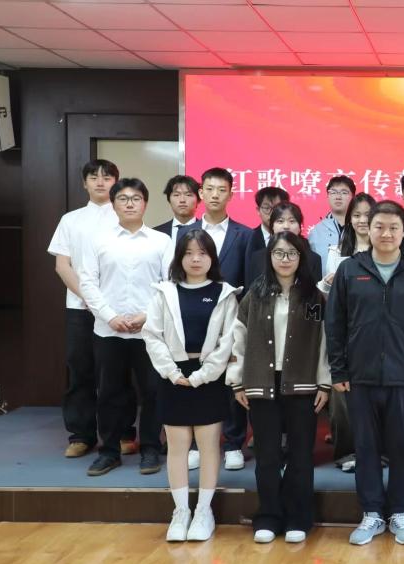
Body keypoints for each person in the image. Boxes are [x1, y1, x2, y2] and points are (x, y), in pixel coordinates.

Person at [325, 200, 404, 546]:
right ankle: (372, 512)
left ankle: (399, 511)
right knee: (366, 448)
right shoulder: (350, 270)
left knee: (403, 448)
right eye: (379, 226)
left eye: (393, 227)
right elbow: (335, 324)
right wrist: (338, 369)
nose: (386, 233)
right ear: (367, 228)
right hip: (359, 378)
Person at [227, 232, 330, 544]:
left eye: (292, 254)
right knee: (267, 455)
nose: (285, 260)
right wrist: (238, 380)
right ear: (269, 257)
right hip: (262, 382)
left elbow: (324, 341)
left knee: (301, 454)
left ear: (301, 258)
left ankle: (299, 517)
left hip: (303, 383)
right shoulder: (254, 295)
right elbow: (238, 339)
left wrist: (324, 382)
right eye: (279, 253)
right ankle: (269, 516)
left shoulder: (314, 297)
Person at [142, 230, 240, 543]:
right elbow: (152, 335)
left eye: (202, 253)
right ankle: (181, 510)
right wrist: (172, 372)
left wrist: (203, 375)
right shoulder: (164, 291)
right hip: (173, 376)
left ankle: (203, 511)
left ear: (212, 258)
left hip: (209, 376)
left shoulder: (225, 293)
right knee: (178, 445)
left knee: (209, 445)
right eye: (188, 253)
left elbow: (228, 340)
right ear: (179, 258)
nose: (195, 259)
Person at [79, 178, 172, 477]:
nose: (129, 204)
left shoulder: (161, 241)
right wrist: (110, 316)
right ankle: (108, 452)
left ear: (145, 203)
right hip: (109, 331)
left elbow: (169, 284)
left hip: (150, 330)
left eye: (136, 198)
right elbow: (87, 283)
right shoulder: (98, 240)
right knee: (109, 393)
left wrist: (146, 316)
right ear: (113, 204)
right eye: (123, 198)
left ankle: (150, 449)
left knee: (152, 391)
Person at [47, 159, 136, 458]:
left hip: (118, 310)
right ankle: (81, 435)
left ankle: (124, 433)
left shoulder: (126, 217)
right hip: (80, 307)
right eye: (93, 177)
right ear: (84, 183)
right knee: (80, 370)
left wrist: (106, 304)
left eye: (107, 177)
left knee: (118, 373)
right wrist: (89, 297)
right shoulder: (70, 220)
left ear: (116, 182)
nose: (100, 182)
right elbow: (62, 265)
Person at [179, 167, 253, 472]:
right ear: (200, 193)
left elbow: (249, 280)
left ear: (231, 194)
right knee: (197, 378)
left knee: (232, 378)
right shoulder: (185, 233)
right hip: (193, 318)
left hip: (232, 317)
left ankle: (233, 443)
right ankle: (197, 444)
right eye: (209, 189)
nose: (214, 195)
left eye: (221, 190)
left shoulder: (245, 235)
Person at [319, 193, 375, 473]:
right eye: (357, 215)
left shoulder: (387, 249)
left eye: (368, 215)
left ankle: (376, 451)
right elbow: (325, 297)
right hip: (344, 331)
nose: (362, 220)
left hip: (377, 333)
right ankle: (346, 452)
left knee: (375, 397)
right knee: (342, 395)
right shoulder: (337, 252)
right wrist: (326, 284)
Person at [245, 202, 321, 291]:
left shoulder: (314, 259)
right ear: (272, 227)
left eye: (292, 221)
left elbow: (315, 295)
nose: (286, 226)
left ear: (299, 227)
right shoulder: (256, 258)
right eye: (280, 221)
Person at [308, 175, 356, 274]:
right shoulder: (316, 231)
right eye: (333, 192)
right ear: (328, 196)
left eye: (344, 192)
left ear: (353, 197)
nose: (338, 197)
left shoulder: (360, 227)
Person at [243, 186, 290, 273]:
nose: (272, 213)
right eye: (267, 208)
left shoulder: (296, 240)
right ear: (258, 210)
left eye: (277, 208)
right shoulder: (247, 239)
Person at [154, 175, 201, 242]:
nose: (182, 200)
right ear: (169, 200)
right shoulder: (156, 233)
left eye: (188, 195)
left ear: (198, 200)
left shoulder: (208, 231)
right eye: (176, 195)